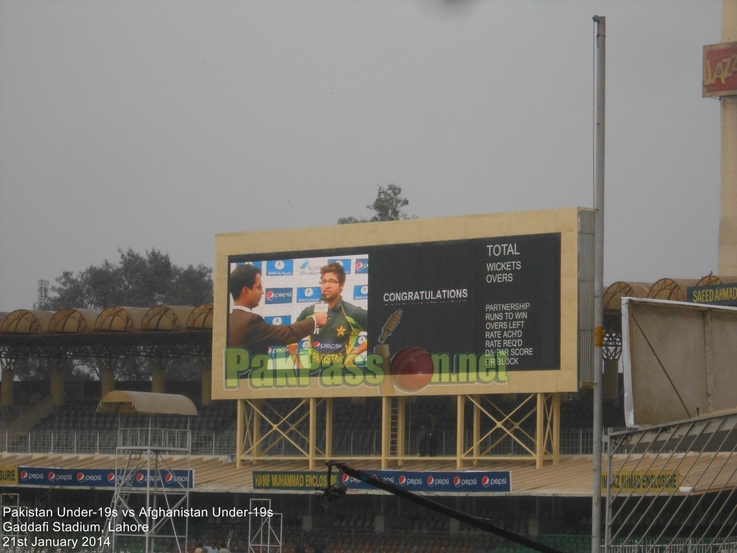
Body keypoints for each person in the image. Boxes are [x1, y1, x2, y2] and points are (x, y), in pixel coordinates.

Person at [228, 264, 327, 354]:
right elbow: (288, 334)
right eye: (259, 287)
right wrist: (315, 320)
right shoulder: (251, 322)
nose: (262, 292)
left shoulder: (230, 320)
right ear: (245, 291)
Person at [296, 262, 368, 369]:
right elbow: (291, 337)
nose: (326, 286)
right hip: (315, 378)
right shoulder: (309, 312)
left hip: (343, 378)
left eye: (332, 281)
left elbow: (379, 332)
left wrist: (355, 353)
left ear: (341, 285)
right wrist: (299, 366)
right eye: (323, 281)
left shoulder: (352, 313)